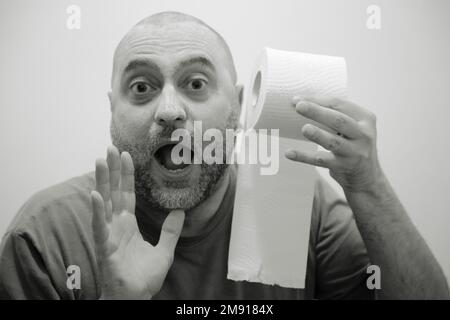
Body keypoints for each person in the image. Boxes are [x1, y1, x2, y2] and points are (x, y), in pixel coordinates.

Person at [0, 11, 448, 300]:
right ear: (111, 111)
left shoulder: (305, 210)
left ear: (237, 108)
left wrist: (369, 187)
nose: (170, 112)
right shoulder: (45, 236)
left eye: (196, 84)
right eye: (141, 88)